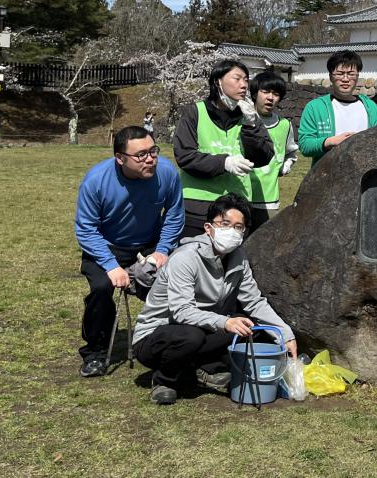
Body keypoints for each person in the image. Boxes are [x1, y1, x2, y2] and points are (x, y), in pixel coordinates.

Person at [132, 193, 297, 405]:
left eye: (238, 227)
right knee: (191, 336)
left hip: (200, 327)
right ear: (208, 228)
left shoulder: (238, 258)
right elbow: (181, 311)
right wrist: (225, 322)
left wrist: (285, 335)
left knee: (249, 326)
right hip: (157, 336)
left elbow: (254, 301)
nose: (232, 231)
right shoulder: (185, 258)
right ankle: (164, 380)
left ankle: (199, 368)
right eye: (225, 224)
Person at [75, 126, 184, 378]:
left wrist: (162, 250)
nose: (150, 159)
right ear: (120, 158)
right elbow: (86, 229)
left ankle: (172, 343)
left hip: (149, 242)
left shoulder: (167, 173)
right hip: (106, 244)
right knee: (101, 289)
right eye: (141, 155)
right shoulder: (96, 181)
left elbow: (174, 215)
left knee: (175, 282)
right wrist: (111, 265)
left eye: (153, 151)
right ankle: (95, 351)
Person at [173, 59, 274, 237]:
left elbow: (263, 156)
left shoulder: (249, 116)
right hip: (197, 206)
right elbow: (185, 156)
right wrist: (224, 163)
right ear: (217, 81)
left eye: (246, 80)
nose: (244, 85)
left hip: (237, 208)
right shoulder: (195, 112)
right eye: (237, 78)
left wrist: (251, 126)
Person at [298, 50, 377, 166]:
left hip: (365, 173)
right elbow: (304, 145)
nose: (345, 79)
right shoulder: (315, 107)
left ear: (358, 76)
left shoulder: (370, 107)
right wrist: (329, 142)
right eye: (340, 73)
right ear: (330, 77)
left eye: (351, 74)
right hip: (327, 173)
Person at [247, 71, 299, 230]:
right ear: (255, 94)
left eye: (276, 94)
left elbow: (291, 152)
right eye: (265, 92)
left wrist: (285, 167)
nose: (270, 97)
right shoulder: (241, 120)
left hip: (268, 199)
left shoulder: (284, 125)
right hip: (240, 195)